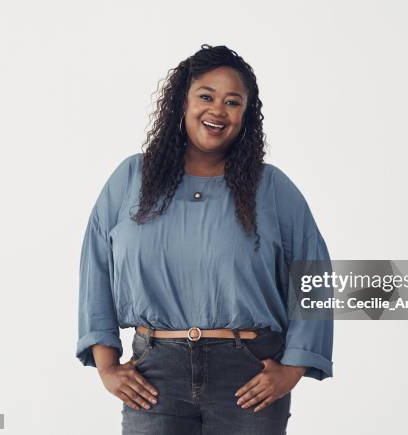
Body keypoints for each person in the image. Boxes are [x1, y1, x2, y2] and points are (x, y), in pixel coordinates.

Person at [76, 44, 333, 435]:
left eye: (233, 102)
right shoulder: (132, 179)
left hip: (248, 376)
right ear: (182, 101)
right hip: (154, 376)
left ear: (245, 116)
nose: (217, 110)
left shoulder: (271, 188)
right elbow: (95, 265)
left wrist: (292, 369)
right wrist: (108, 365)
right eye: (206, 96)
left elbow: (315, 274)